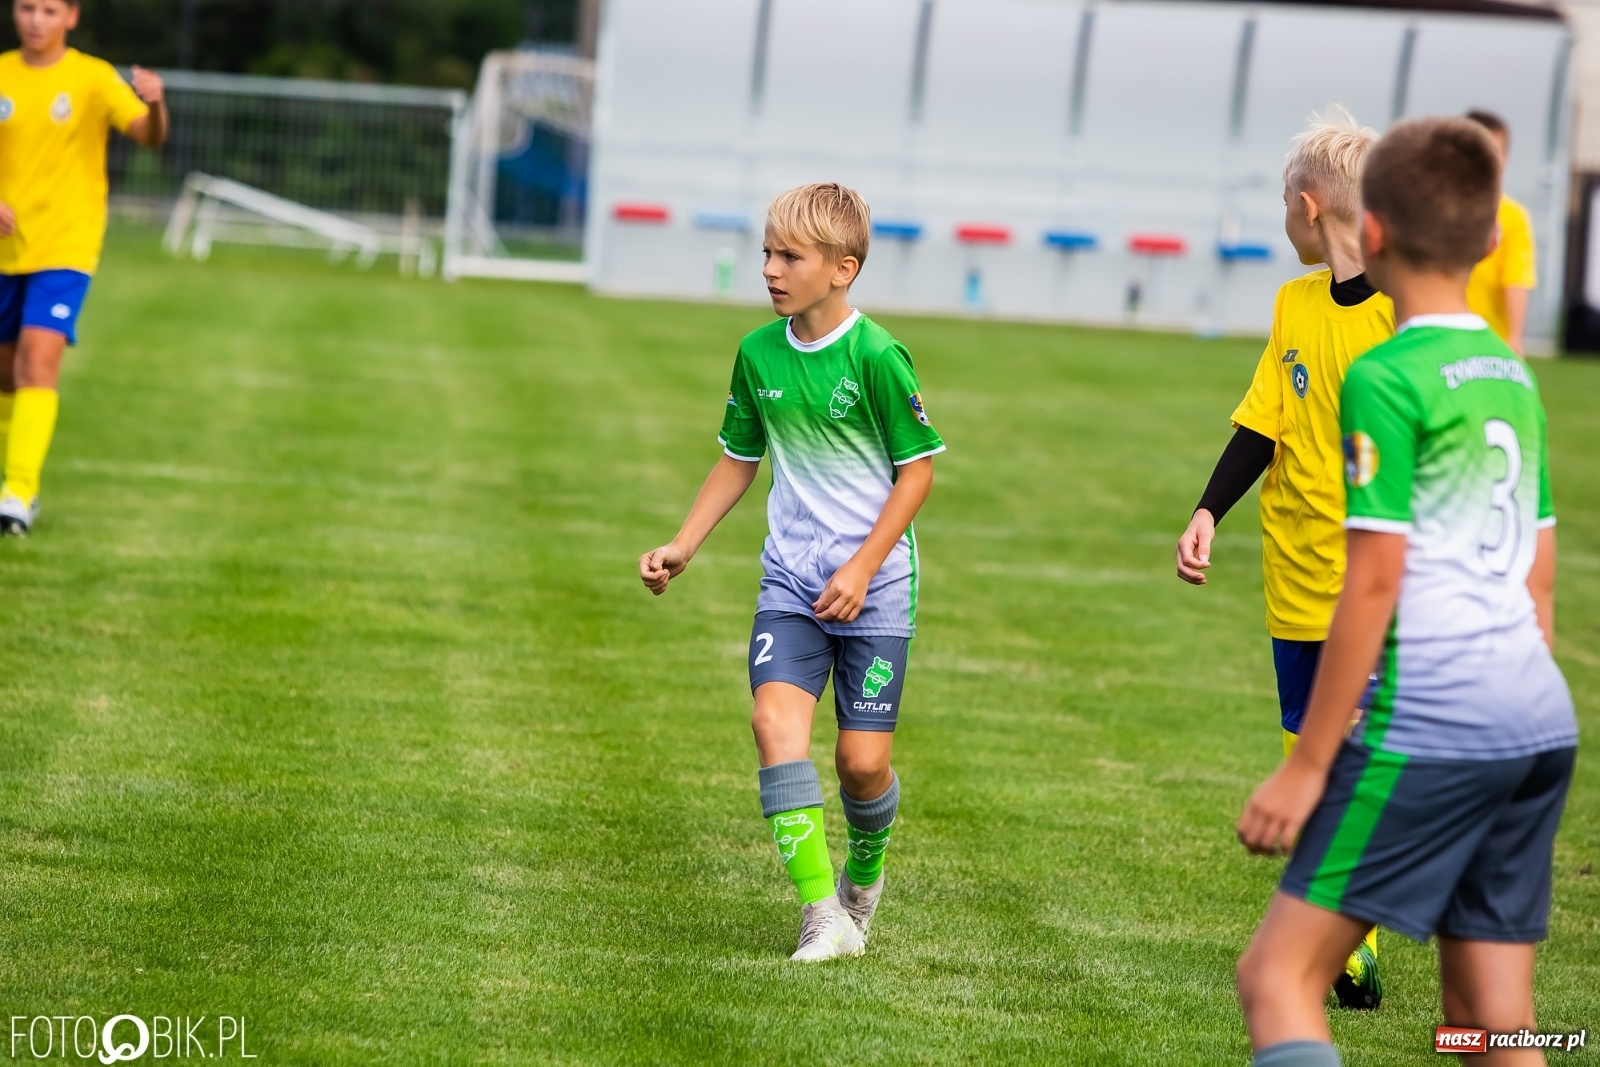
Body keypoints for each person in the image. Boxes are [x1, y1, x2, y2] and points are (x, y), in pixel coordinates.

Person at [1235, 116, 1576, 1067]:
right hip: (1534, 715)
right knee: (1489, 1020)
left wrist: (1306, 769)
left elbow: (1375, 580)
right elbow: (1539, 578)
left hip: (1440, 715)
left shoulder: (1387, 374)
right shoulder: (1509, 371)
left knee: (1277, 979)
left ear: (1370, 231)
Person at [639, 183, 945, 962]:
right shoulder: (757, 352)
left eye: (790, 256)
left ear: (842, 268)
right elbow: (741, 457)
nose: (771, 269)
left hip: (874, 589)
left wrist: (862, 566)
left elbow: (917, 474)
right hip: (791, 585)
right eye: (768, 253)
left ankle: (862, 884)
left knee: (860, 762)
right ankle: (821, 913)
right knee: (774, 726)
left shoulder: (876, 355)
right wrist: (683, 544)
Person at [1175, 107, 1391, 1009]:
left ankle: (1354, 936)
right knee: (1310, 743)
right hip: (1293, 581)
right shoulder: (1293, 305)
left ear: (1308, 208)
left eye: (1280, 207)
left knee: (1352, 753)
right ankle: (1352, 923)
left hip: (1374, 588)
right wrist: (1207, 509)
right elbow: (1264, 417)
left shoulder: (1399, 315)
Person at [0, 0, 168, 536]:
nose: (35, 20)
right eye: (27, 8)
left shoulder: (93, 78)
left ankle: (18, 495)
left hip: (67, 249)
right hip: (5, 249)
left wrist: (157, 106)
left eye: (48, 10)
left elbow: (148, 135)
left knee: (37, 363)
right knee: (8, 376)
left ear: (70, 17)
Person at [1463, 110, 1536, 355]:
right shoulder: (1438, 207)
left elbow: (1516, 280)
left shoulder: (1513, 217)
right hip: (1442, 333)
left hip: (1490, 343)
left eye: (1496, 152)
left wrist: (1514, 338)